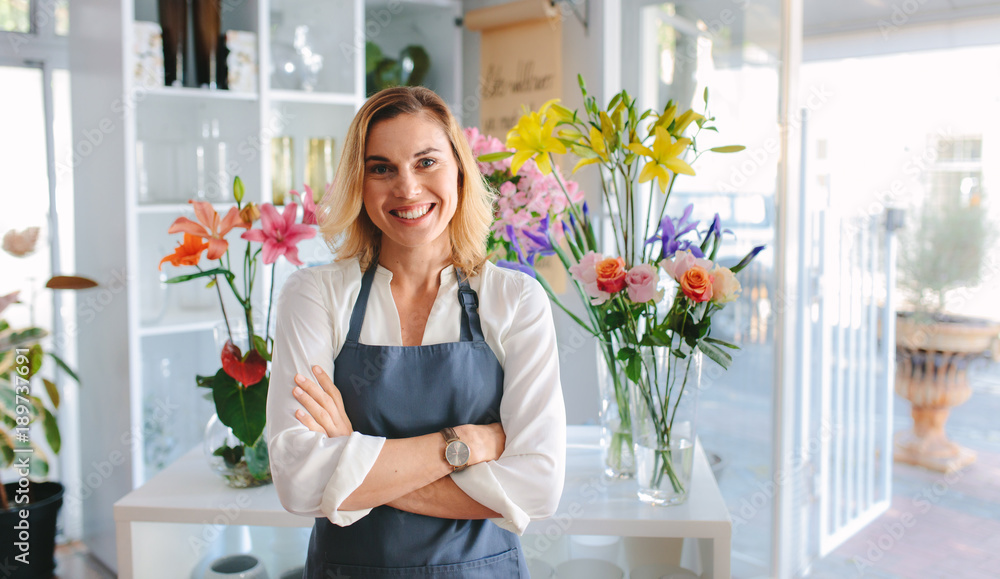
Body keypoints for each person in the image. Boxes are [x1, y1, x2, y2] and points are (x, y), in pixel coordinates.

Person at [266, 86, 566, 578]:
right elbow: (298, 484)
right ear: (359, 184)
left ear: (460, 171)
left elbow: (538, 487)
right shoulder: (314, 295)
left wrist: (351, 454)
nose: (406, 188)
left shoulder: (515, 300)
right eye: (381, 167)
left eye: (426, 162)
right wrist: (466, 445)